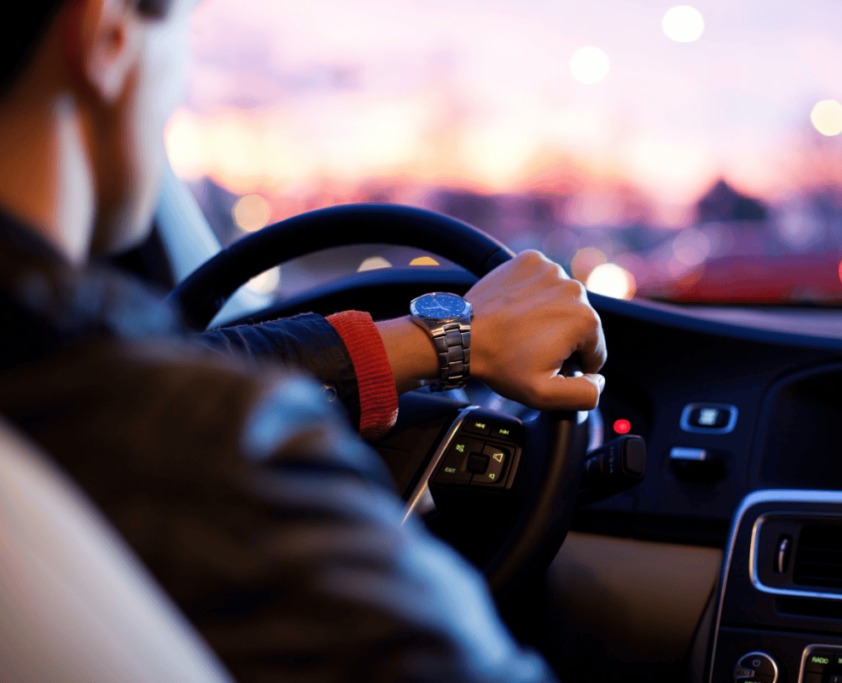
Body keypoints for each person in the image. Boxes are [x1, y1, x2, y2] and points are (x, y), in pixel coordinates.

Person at [0, 0, 607, 681]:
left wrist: (446, 340)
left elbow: (177, 361)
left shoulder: (57, 382)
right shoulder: (222, 454)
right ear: (109, 35)